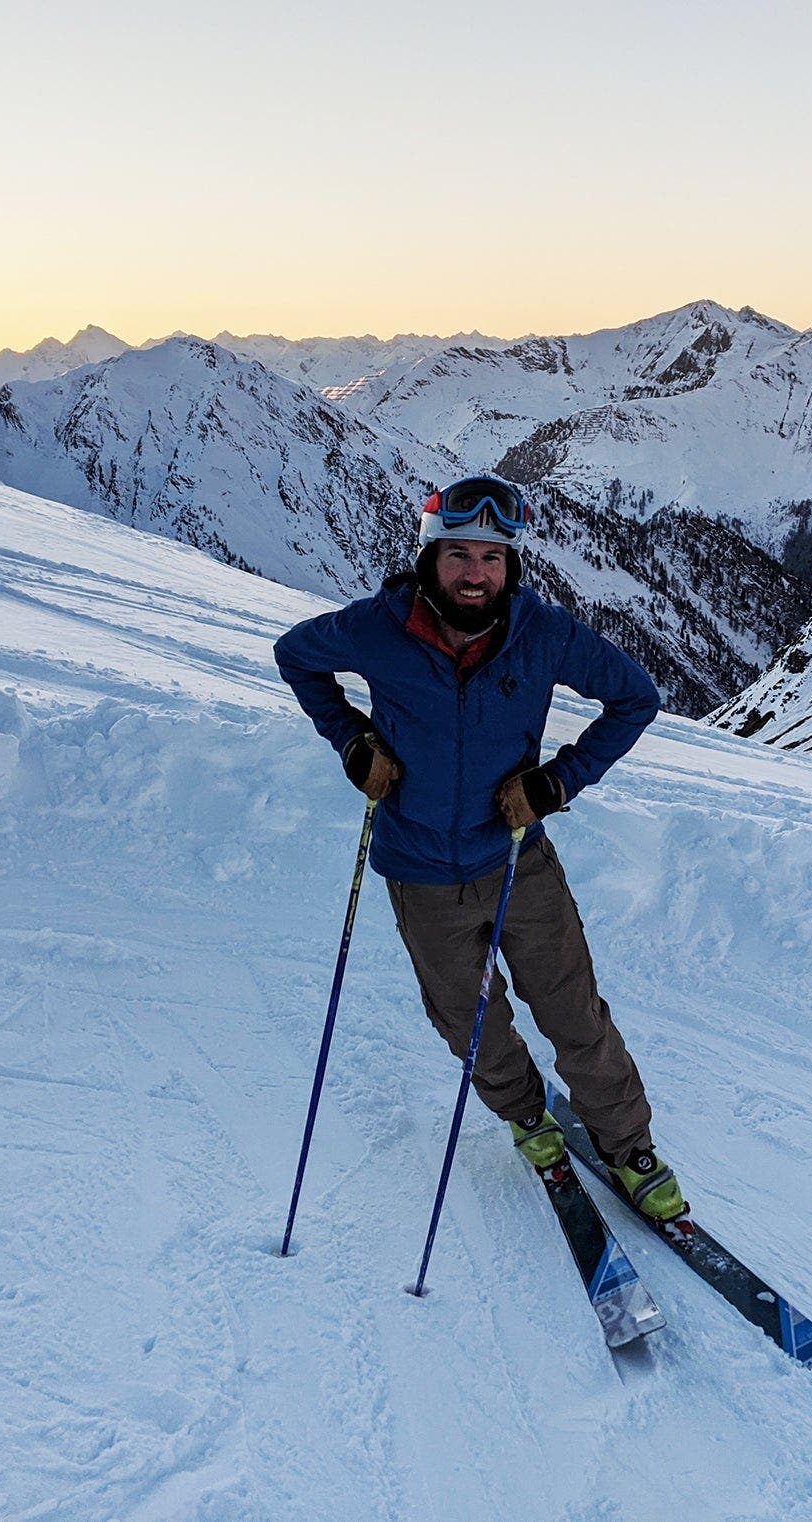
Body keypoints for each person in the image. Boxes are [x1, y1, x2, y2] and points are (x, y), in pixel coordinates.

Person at [272, 472, 686, 1220]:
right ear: (431, 556)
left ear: (512, 565)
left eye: (493, 557)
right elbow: (296, 656)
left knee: (573, 1016)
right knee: (469, 1019)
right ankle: (528, 1115)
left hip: (516, 861)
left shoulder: (544, 634)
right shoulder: (378, 629)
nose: (475, 572)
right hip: (419, 869)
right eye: (459, 552)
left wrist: (559, 783)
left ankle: (628, 1148)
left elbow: (636, 699)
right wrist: (354, 743)